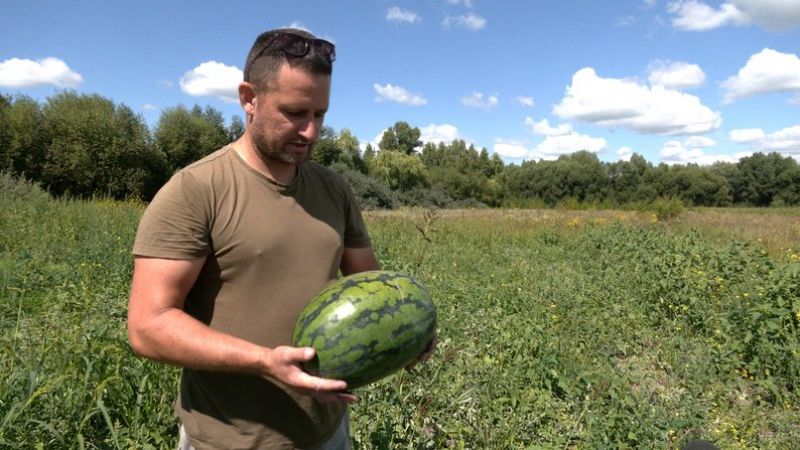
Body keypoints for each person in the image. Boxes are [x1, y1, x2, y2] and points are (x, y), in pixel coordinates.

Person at [127, 28, 431, 449]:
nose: (311, 132)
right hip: (228, 440)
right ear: (249, 98)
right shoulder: (196, 190)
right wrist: (265, 362)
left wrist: (410, 331)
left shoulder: (333, 189)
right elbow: (148, 325)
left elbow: (377, 290)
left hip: (326, 433)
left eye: (320, 114)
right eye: (294, 112)